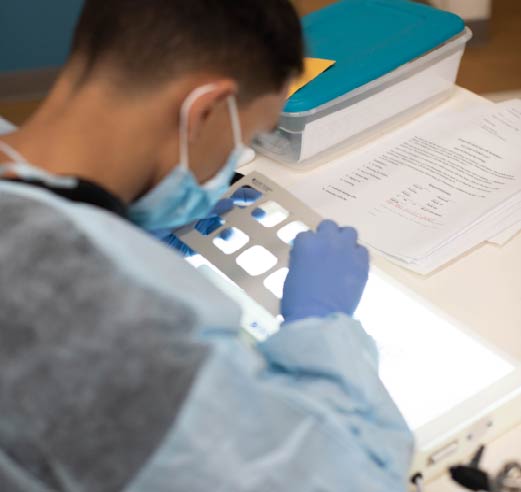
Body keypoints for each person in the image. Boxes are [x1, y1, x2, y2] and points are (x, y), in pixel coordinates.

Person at [0, 1, 413, 491]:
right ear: (202, 111)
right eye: (250, 136)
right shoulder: (105, 318)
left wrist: (106, 221)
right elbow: (347, 480)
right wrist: (322, 328)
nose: (234, 161)